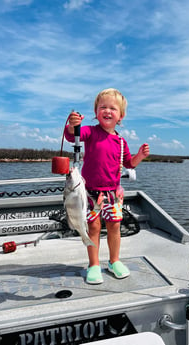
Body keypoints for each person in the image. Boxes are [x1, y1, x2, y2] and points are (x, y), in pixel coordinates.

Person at [65, 88, 149, 284]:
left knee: (115, 227)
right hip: (90, 194)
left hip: (113, 195)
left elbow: (129, 163)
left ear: (121, 116)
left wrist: (141, 156)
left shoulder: (121, 142)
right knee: (93, 228)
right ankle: (94, 264)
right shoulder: (91, 132)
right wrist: (72, 125)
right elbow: (72, 136)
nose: (108, 111)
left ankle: (114, 261)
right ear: (96, 112)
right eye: (103, 107)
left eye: (113, 108)